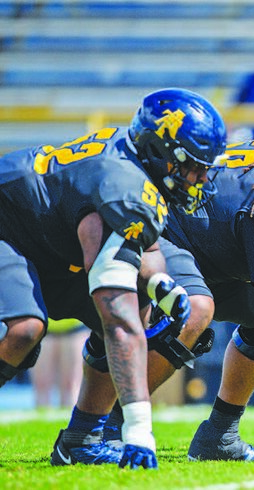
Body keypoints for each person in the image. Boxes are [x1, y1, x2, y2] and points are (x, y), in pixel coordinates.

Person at [58, 116, 254, 465]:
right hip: (164, 234)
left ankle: (220, 434)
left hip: (204, 247)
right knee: (198, 309)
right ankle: (108, 424)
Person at [0, 87, 226, 469]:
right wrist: (140, 430)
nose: (200, 177)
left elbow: (147, 245)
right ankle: (102, 430)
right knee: (25, 330)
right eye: (192, 165)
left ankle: (81, 438)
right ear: (158, 150)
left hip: (58, 241)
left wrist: (159, 284)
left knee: (141, 306)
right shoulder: (121, 187)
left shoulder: (137, 164)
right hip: (13, 228)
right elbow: (117, 321)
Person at [31, 319, 88, 408]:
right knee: (42, 385)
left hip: (75, 326)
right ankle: (43, 419)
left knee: (70, 386)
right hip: (44, 326)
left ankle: (69, 420)